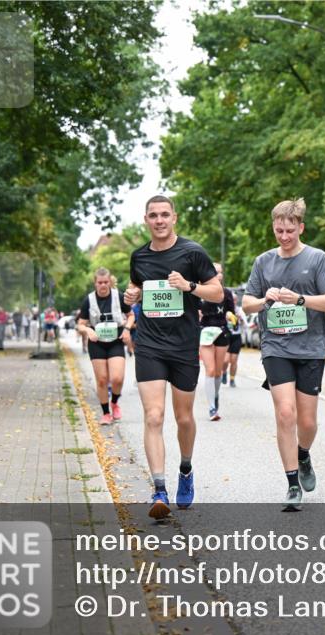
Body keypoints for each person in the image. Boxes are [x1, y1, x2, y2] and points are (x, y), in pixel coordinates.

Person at [124, 195, 222, 519]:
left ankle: (185, 467)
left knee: (183, 418)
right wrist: (131, 295)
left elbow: (217, 292)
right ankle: (159, 489)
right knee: (153, 416)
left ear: (174, 218)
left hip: (183, 347)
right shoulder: (138, 256)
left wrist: (189, 285)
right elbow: (135, 287)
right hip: (150, 344)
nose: (159, 220)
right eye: (153, 215)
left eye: (165, 214)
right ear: (146, 220)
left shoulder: (192, 252)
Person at [242, 198, 325, 511]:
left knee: (308, 422)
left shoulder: (317, 258)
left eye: (289, 230)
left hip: (310, 347)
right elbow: (246, 303)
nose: (283, 236)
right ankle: (292, 484)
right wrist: (264, 300)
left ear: (301, 227)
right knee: (285, 413)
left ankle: (303, 455)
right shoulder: (264, 262)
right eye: (278, 230)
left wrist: (300, 299)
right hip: (276, 347)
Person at [77, 268, 134, 425]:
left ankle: (114, 402)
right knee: (102, 380)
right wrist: (88, 330)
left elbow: (131, 315)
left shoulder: (119, 296)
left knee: (117, 378)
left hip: (115, 341)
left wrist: (128, 329)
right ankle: (106, 413)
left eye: (105, 282)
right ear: (95, 283)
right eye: (100, 282)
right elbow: (80, 324)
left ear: (110, 282)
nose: (103, 285)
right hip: (97, 343)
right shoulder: (88, 300)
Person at [198, 263, 233, 421]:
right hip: (205, 332)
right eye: (214, 272)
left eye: (219, 272)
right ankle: (212, 408)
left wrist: (231, 316)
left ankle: (215, 396)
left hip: (221, 331)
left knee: (218, 371)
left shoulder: (226, 293)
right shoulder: (199, 292)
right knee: (210, 370)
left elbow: (231, 311)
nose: (217, 275)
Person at [224, 291, 246, 388]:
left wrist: (240, 319)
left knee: (233, 360)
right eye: (231, 299)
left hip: (236, 337)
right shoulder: (225, 310)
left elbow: (246, 325)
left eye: (235, 299)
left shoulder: (239, 310)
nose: (233, 301)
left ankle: (232, 379)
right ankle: (224, 372)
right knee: (225, 360)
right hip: (227, 336)